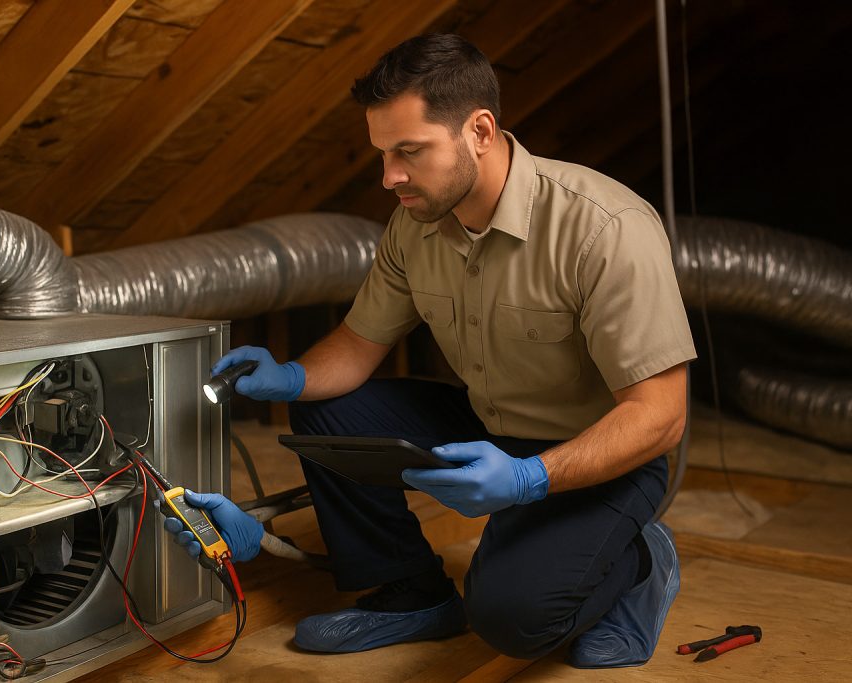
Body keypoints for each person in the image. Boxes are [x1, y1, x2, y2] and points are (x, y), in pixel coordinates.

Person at [160, 33, 695, 668]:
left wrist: (530, 480)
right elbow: (359, 345)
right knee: (330, 410)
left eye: (409, 151)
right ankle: (413, 594)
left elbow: (660, 415)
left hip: (602, 452)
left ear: (480, 131)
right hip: (493, 428)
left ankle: (639, 561)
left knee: (512, 620)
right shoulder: (415, 225)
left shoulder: (604, 227)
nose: (389, 177)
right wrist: (291, 376)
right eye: (383, 154)